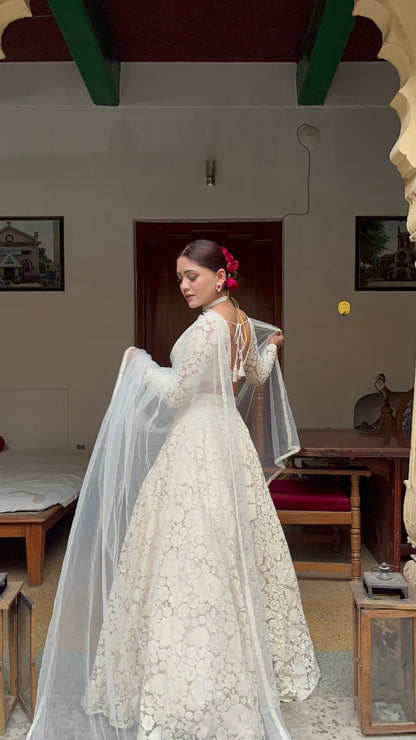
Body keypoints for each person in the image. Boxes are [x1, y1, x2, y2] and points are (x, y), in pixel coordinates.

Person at [28, 239, 319, 740]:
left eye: (192, 276)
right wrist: (271, 347)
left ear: (219, 276)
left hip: (198, 442)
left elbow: (177, 393)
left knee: (186, 556)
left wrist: (137, 363)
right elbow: (256, 374)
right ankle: (239, 668)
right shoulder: (243, 323)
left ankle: (191, 685)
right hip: (228, 441)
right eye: (180, 278)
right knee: (225, 551)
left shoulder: (210, 325)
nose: (184, 285)